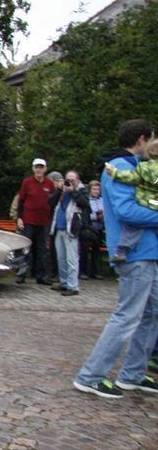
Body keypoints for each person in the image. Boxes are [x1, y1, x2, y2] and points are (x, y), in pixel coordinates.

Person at [73, 119, 158, 398]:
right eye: (152, 140)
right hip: (134, 252)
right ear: (142, 139)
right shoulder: (120, 167)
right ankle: (91, 376)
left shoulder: (131, 167)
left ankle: (132, 375)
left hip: (146, 251)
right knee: (128, 316)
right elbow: (126, 212)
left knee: (151, 314)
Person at [103, 138, 158, 263]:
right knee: (136, 222)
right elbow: (126, 212)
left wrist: (115, 173)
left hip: (145, 201)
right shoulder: (123, 163)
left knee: (134, 227)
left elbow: (131, 177)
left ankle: (122, 249)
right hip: (151, 203)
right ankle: (122, 249)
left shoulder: (143, 167)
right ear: (141, 139)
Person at [47, 170, 89, 295]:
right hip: (59, 227)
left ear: (78, 180)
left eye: (72, 180)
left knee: (72, 259)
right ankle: (64, 282)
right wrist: (59, 190)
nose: (69, 182)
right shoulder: (62, 191)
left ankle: (73, 286)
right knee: (61, 258)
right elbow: (50, 202)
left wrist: (73, 191)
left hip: (72, 229)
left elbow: (85, 204)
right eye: (67, 180)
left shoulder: (82, 190)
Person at [15, 158, 55, 284]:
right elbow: (21, 201)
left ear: (45, 169)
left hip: (43, 222)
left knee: (42, 250)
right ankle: (21, 274)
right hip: (28, 220)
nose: (39, 169)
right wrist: (19, 218)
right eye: (37, 167)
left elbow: (53, 202)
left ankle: (41, 275)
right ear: (33, 168)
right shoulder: (27, 182)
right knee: (25, 248)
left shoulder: (49, 184)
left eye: (41, 167)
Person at [81, 180, 105, 279]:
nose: (96, 191)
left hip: (98, 228)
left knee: (96, 251)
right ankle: (83, 271)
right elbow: (85, 214)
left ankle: (94, 271)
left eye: (98, 189)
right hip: (88, 227)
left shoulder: (102, 200)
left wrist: (102, 215)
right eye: (94, 189)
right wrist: (94, 216)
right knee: (85, 250)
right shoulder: (87, 200)